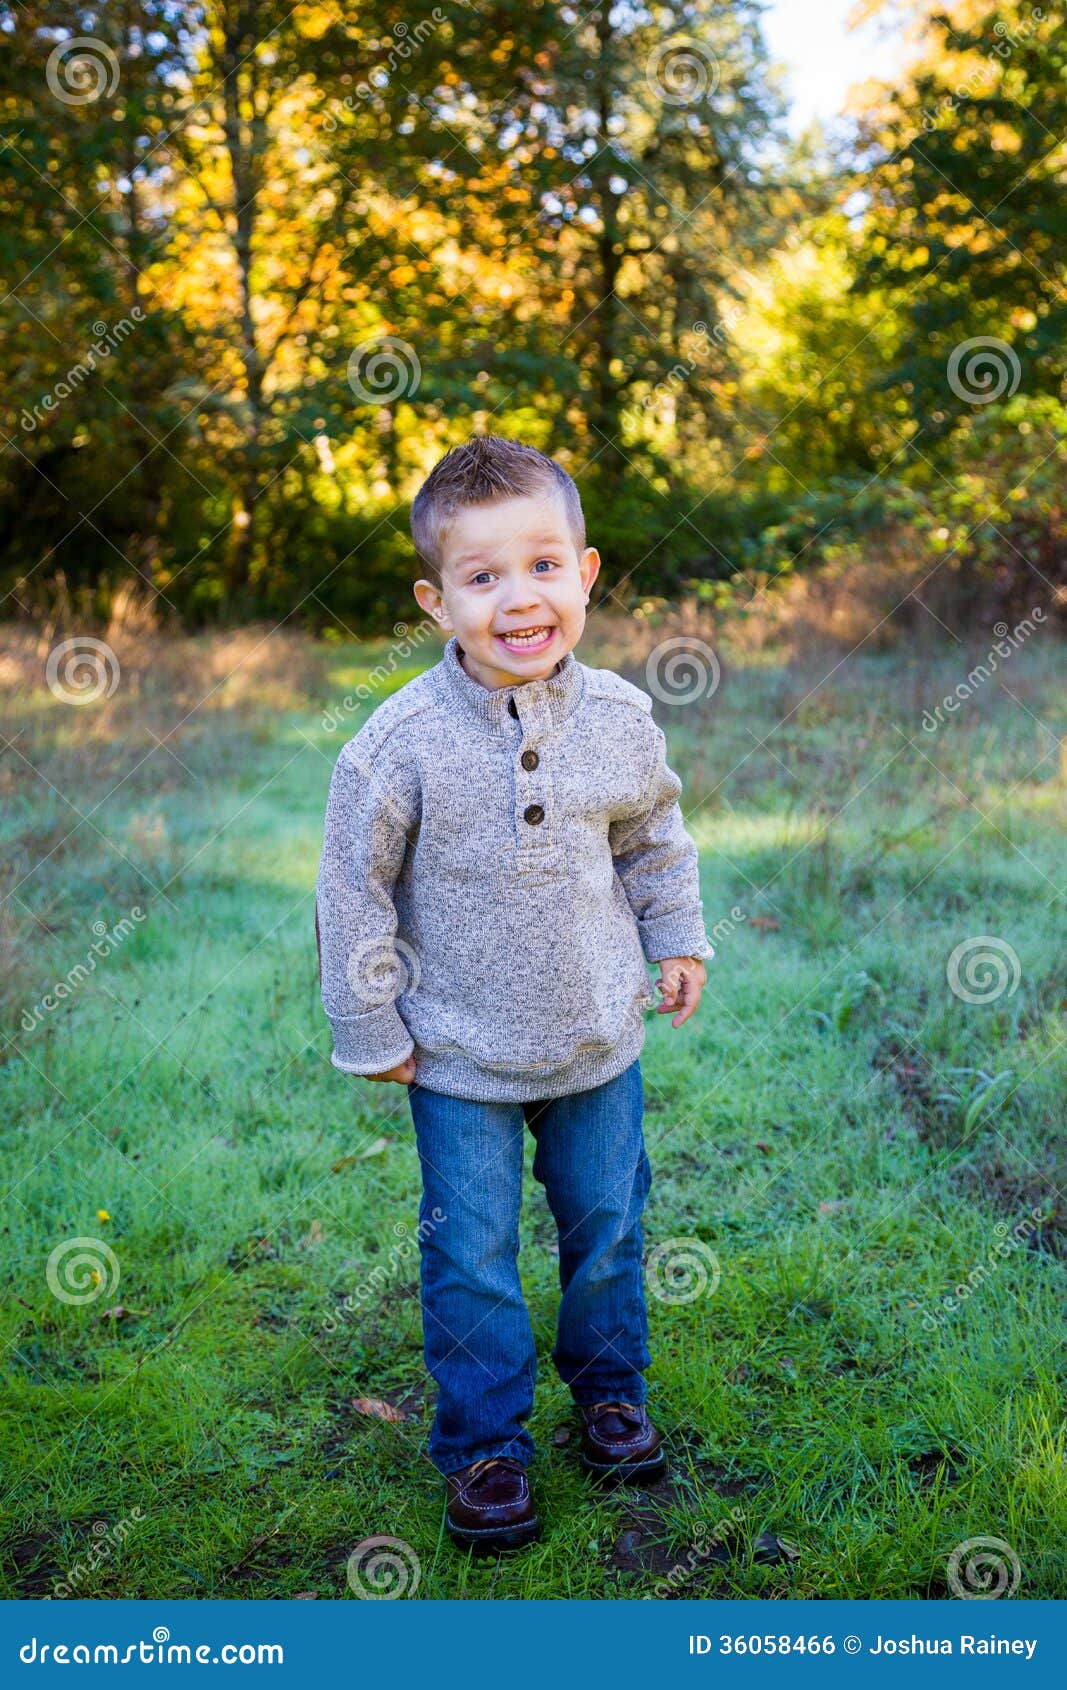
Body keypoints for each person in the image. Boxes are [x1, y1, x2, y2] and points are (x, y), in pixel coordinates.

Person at [315, 434, 712, 1552]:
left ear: (584, 575)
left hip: (596, 1037)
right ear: (436, 600)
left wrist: (675, 935)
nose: (517, 598)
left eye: (542, 566)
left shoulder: (622, 720)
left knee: (605, 1226)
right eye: (482, 578)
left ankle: (609, 1393)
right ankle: (486, 1446)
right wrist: (369, 1020)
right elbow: (354, 891)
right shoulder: (395, 744)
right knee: (471, 1251)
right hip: (455, 1057)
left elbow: (653, 839)